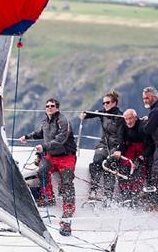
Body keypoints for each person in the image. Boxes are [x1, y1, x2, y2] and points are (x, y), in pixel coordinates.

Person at [19, 98, 77, 236]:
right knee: (42, 171)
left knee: (67, 180)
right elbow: (40, 133)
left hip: (66, 156)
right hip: (51, 156)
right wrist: (27, 137)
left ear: (57, 108)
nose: (49, 108)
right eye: (47, 106)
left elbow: (60, 140)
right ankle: (48, 198)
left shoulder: (63, 121)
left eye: (52, 106)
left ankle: (68, 208)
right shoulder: (45, 121)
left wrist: (43, 146)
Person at [80, 90, 125, 202]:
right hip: (104, 144)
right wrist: (85, 115)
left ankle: (108, 195)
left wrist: (119, 150)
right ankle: (94, 190)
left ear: (114, 103)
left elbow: (122, 136)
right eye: (104, 103)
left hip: (115, 146)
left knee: (109, 165)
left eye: (108, 103)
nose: (105, 105)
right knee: (96, 161)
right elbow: (94, 113)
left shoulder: (120, 117)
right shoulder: (103, 113)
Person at [116, 108, 153, 203]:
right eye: (126, 119)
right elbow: (122, 141)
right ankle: (125, 194)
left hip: (142, 150)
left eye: (130, 118)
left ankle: (135, 196)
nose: (128, 121)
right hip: (130, 148)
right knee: (123, 167)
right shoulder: (124, 126)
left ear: (136, 118)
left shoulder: (143, 127)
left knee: (139, 170)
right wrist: (119, 151)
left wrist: (142, 157)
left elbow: (150, 145)